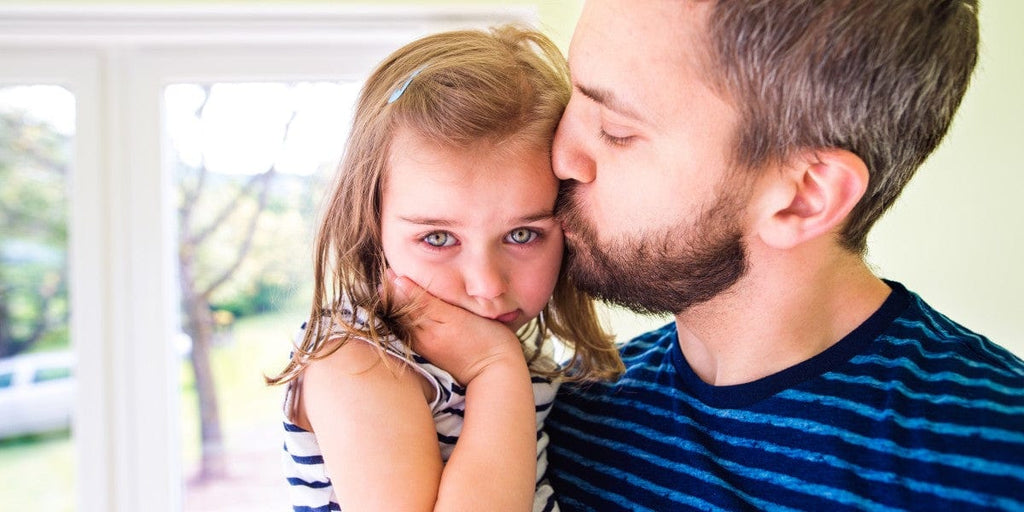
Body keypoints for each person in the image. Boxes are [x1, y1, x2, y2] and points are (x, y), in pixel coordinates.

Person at [395, 1, 1024, 510]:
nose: (561, 157)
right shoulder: (551, 423)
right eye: (571, 103)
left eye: (617, 131)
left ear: (803, 197)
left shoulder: (994, 462)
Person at [265, 25, 623, 511]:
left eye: (523, 235)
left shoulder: (529, 359)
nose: (486, 285)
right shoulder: (356, 360)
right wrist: (495, 370)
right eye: (438, 238)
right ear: (371, 224)